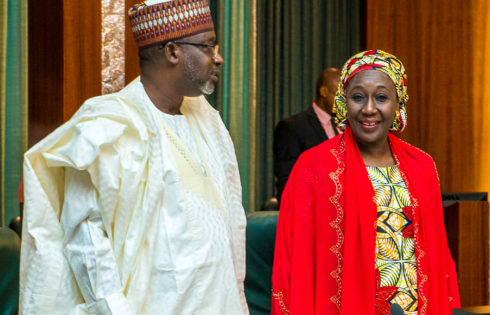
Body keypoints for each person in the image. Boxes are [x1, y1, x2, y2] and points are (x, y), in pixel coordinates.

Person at [19, 1, 249, 314]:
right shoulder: (107, 128)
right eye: (208, 46)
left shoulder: (207, 120)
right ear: (172, 52)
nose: (218, 58)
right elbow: (87, 247)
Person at [271, 50, 460, 314]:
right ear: (343, 102)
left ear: (398, 103)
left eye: (381, 97)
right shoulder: (313, 168)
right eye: (358, 97)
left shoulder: (422, 166)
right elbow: (295, 262)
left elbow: (438, 259)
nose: (369, 109)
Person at [273, 68, 341, 203]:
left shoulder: (349, 127)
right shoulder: (293, 127)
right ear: (324, 92)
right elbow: (288, 185)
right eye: (339, 95)